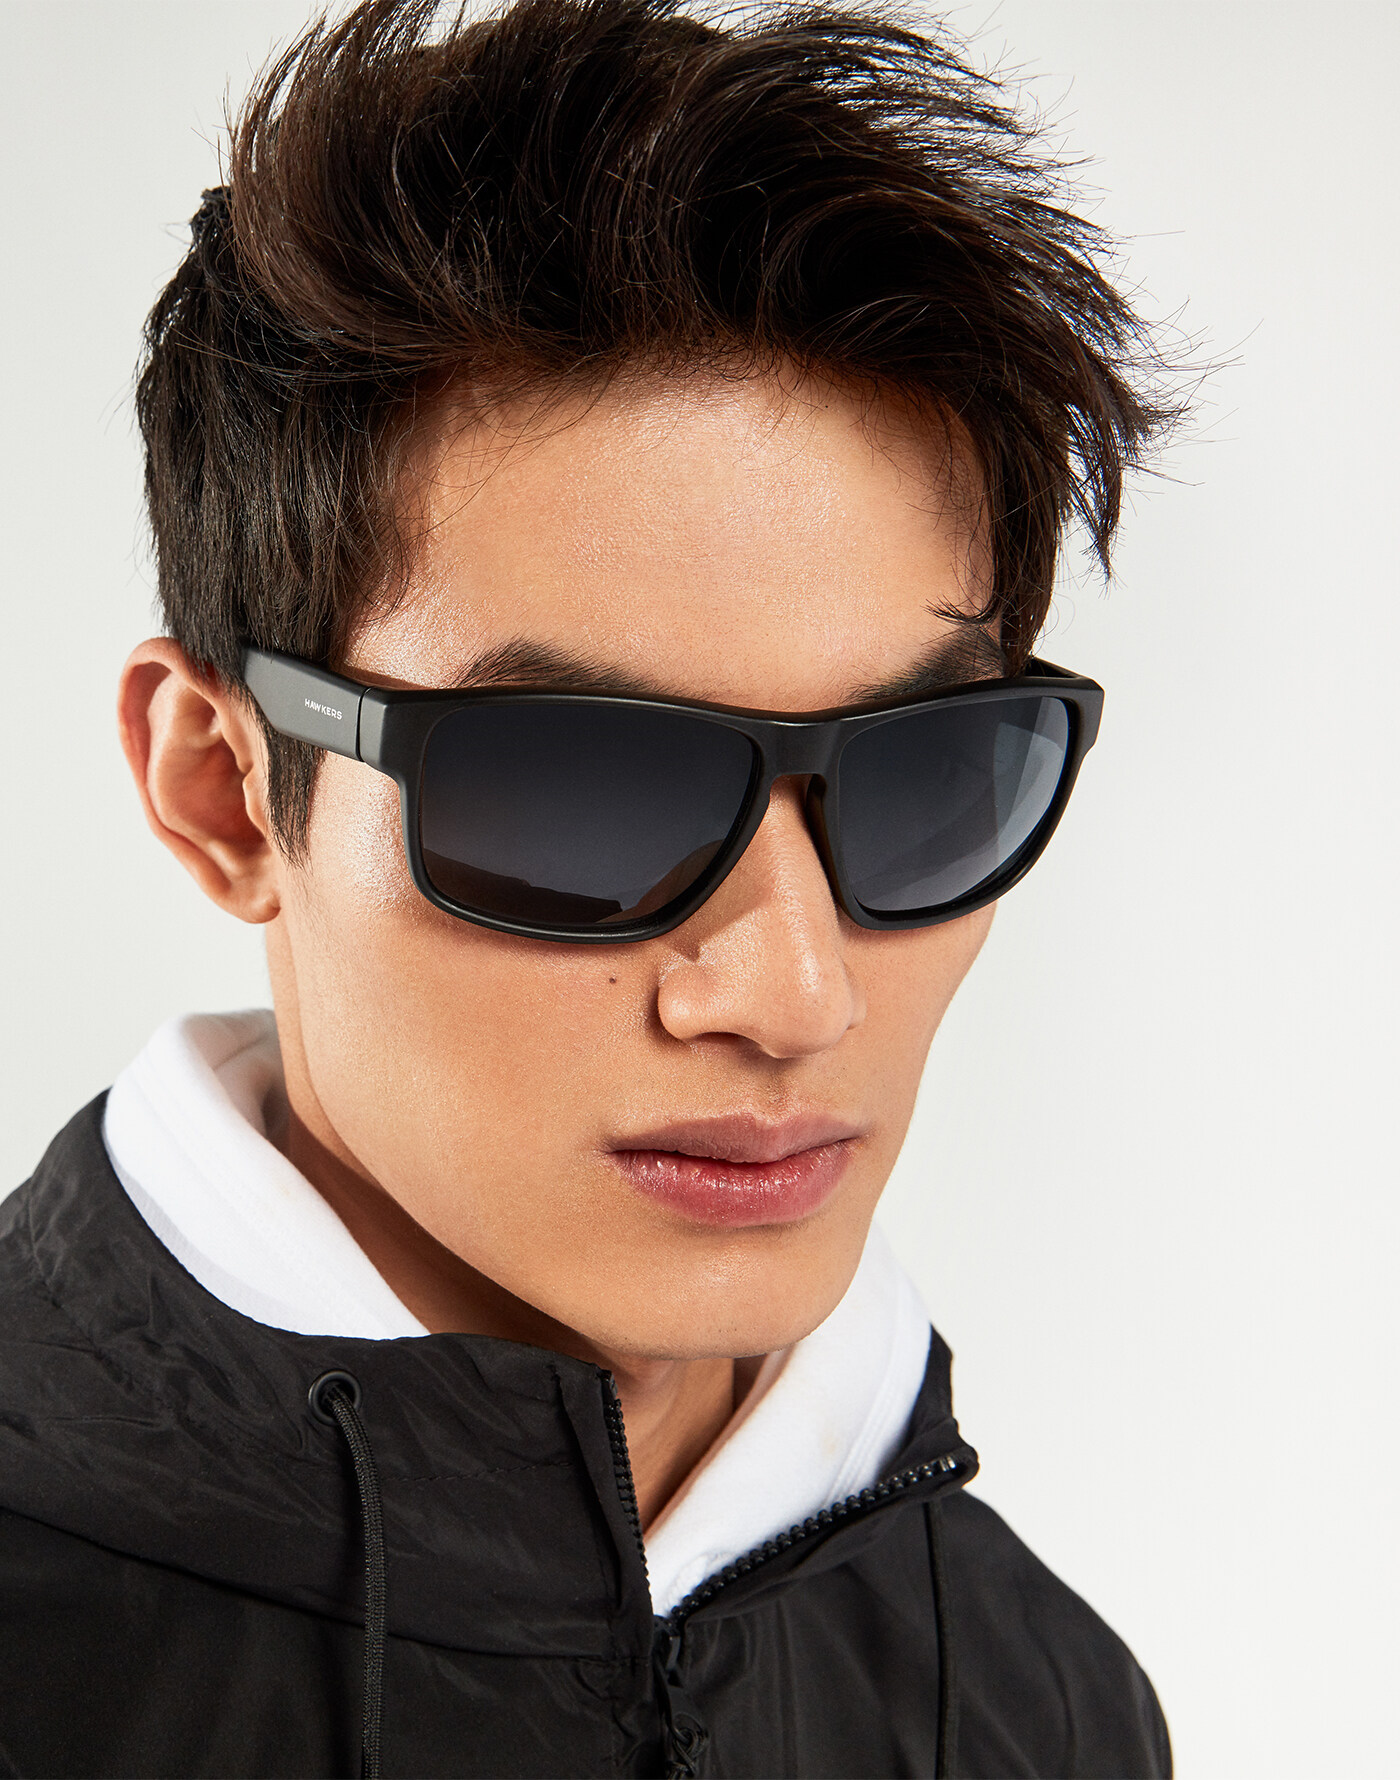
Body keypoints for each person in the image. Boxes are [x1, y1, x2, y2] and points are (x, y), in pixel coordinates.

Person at [0, 0, 1176, 1773]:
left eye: (924, 772)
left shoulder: (1043, 1705)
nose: (794, 991)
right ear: (222, 791)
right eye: (580, 792)